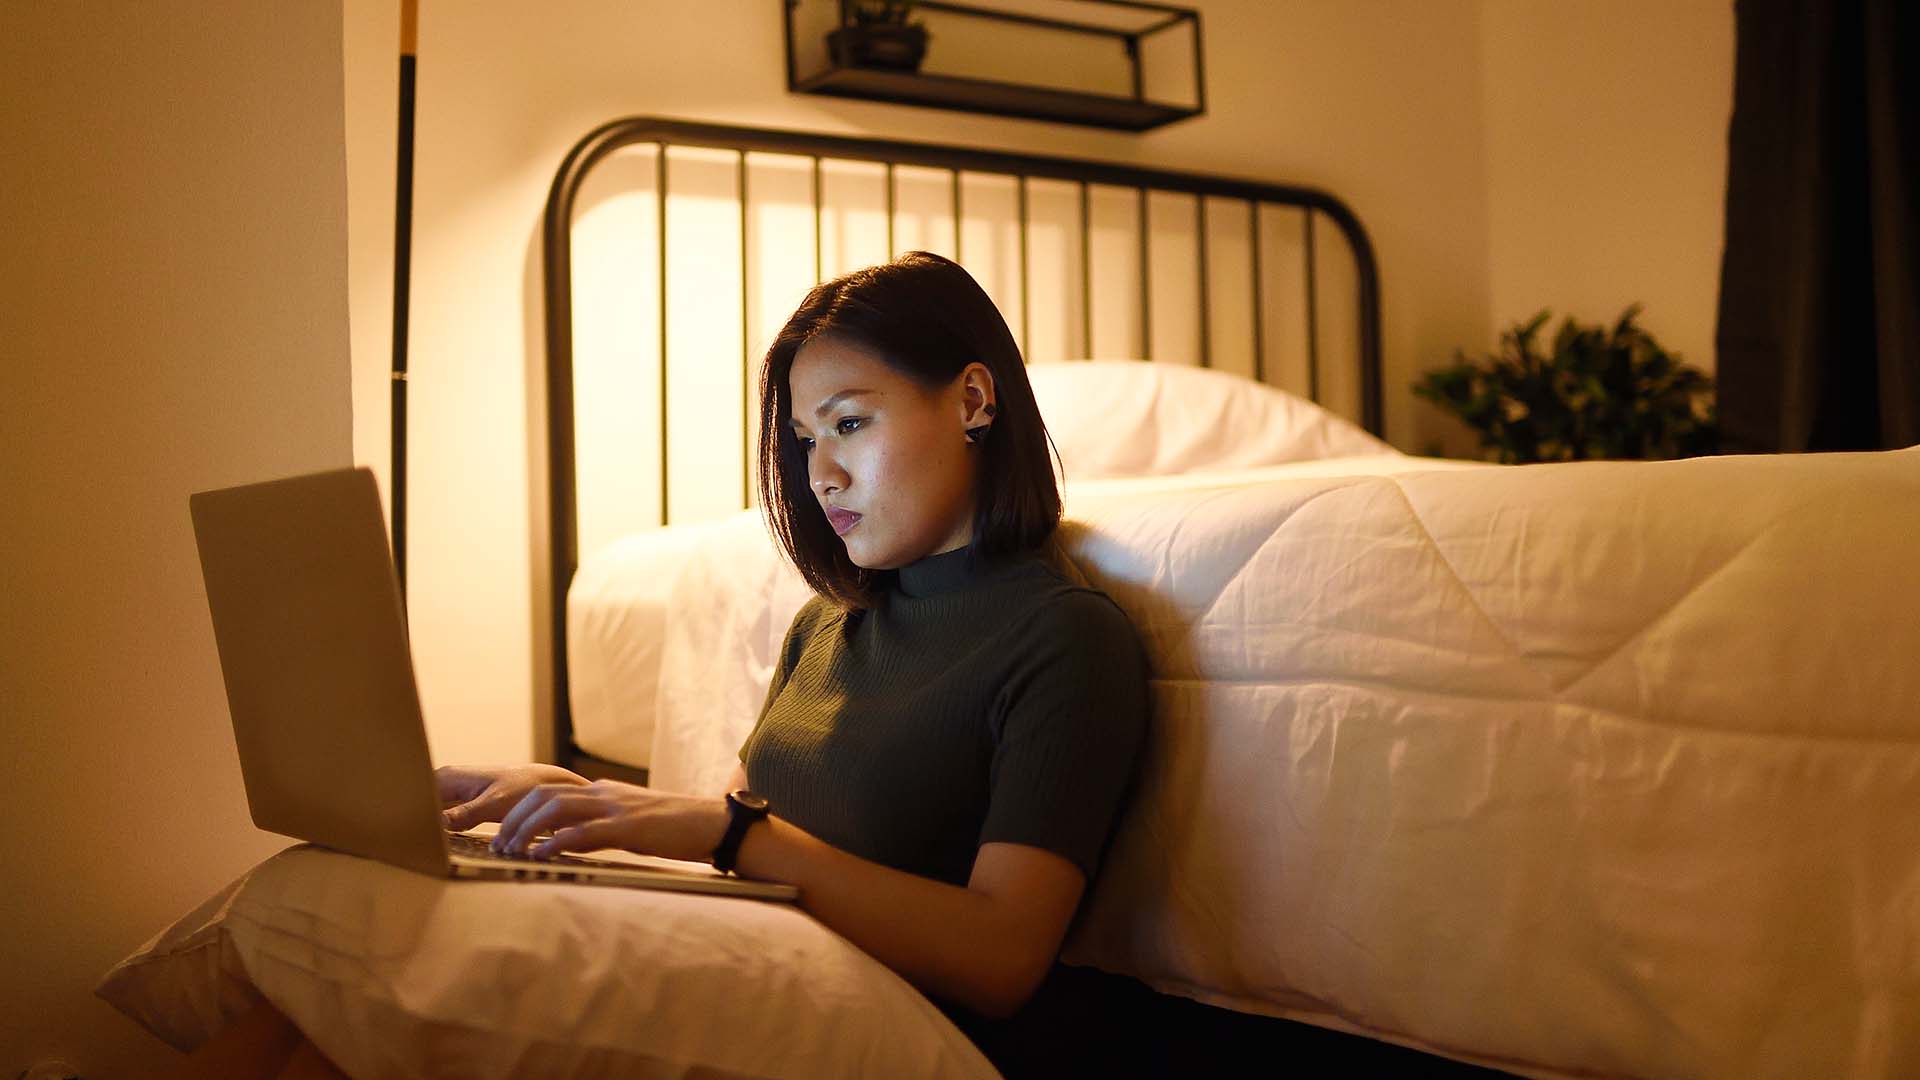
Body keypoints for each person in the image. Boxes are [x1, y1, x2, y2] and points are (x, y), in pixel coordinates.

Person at [436, 250, 1153, 1076]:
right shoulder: (825, 627)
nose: (821, 475)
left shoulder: (1062, 638)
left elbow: (1002, 959)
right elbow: (751, 848)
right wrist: (579, 807)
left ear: (973, 400)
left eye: (850, 423)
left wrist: (732, 829)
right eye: (807, 439)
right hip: (768, 992)